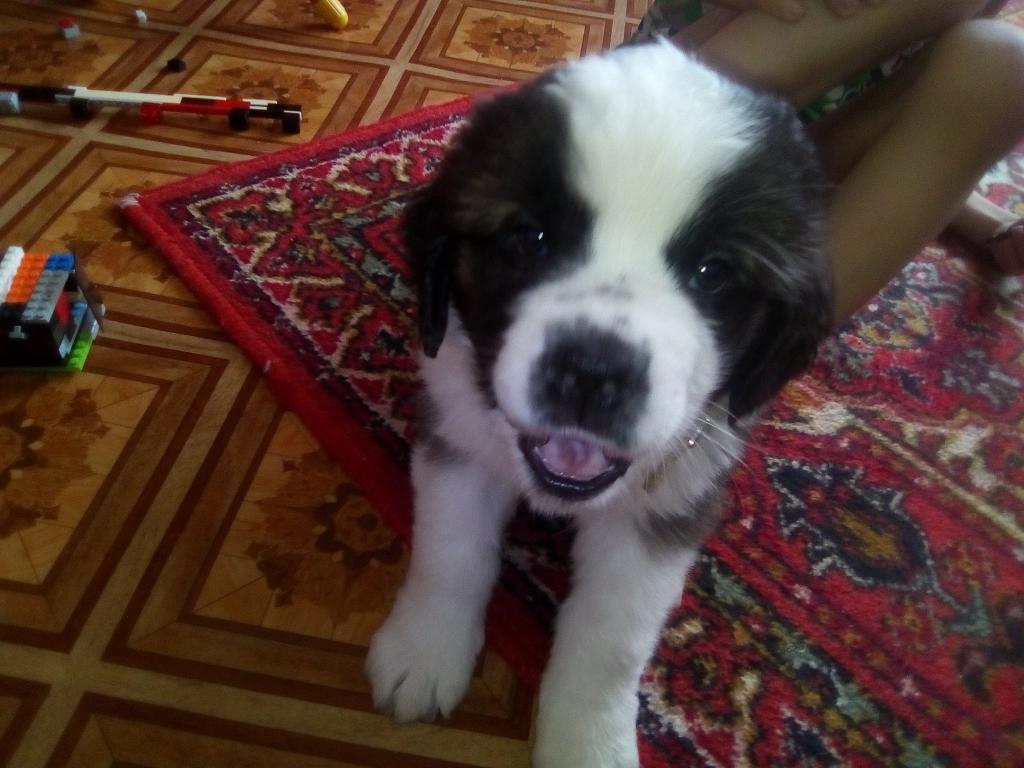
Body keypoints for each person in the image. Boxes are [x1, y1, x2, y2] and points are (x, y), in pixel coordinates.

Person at [635, 0, 1024, 323]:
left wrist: (988, 223)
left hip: (782, 164)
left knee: (1004, 62)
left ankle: (755, 352)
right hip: (656, 102)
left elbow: (923, 106)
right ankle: (622, 192)